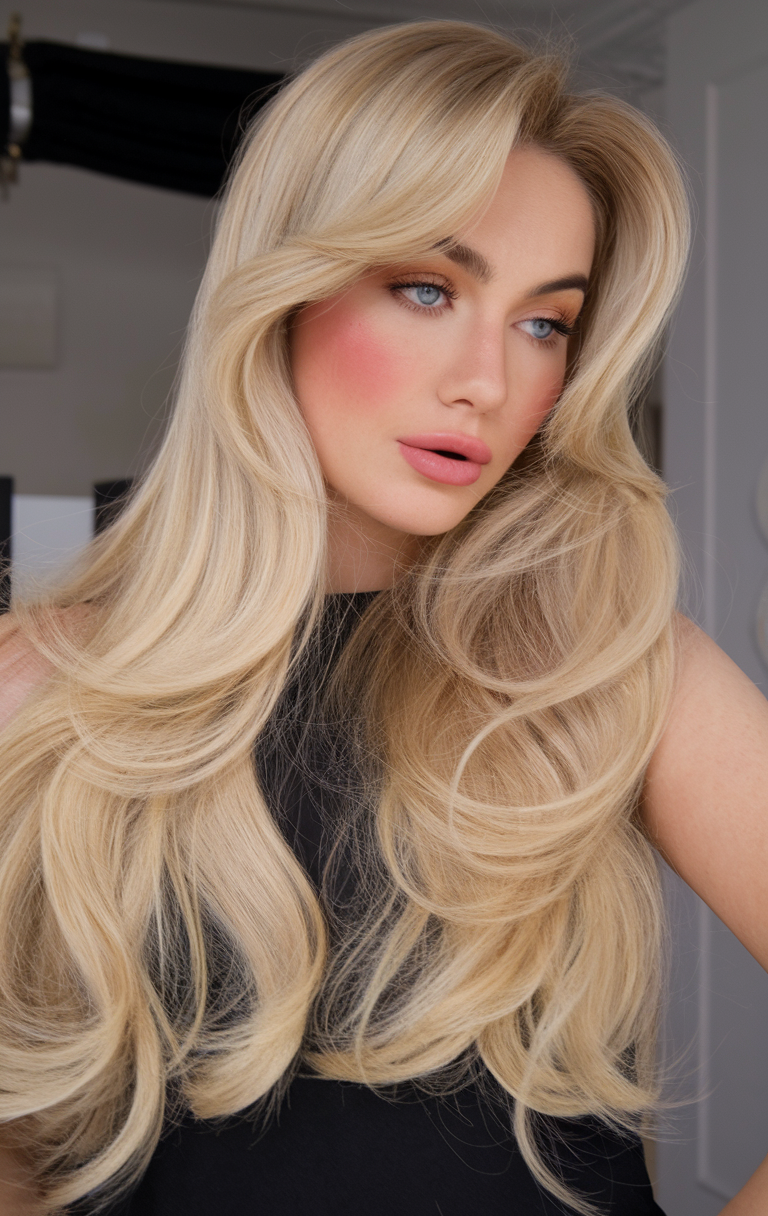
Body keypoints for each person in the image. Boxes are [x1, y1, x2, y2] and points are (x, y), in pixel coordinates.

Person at [0, 19, 766, 1216]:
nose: (488, 381)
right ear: (284, 286)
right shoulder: (43, 685)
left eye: (544, 323)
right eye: (426, 288)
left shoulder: (613, 666)